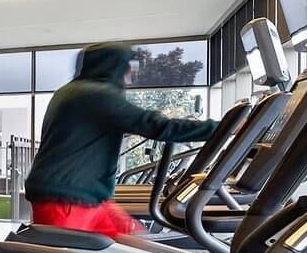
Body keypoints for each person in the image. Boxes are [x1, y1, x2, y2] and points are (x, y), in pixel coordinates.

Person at [23, 42, 217, 234]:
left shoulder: (72, 91)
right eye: (128, 67)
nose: (131, 74)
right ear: (114, 66)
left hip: (88, 197)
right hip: (66, 199)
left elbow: (83, 131)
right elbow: (158, 126)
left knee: (134, 240)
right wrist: (224, 127)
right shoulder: (96, 94)